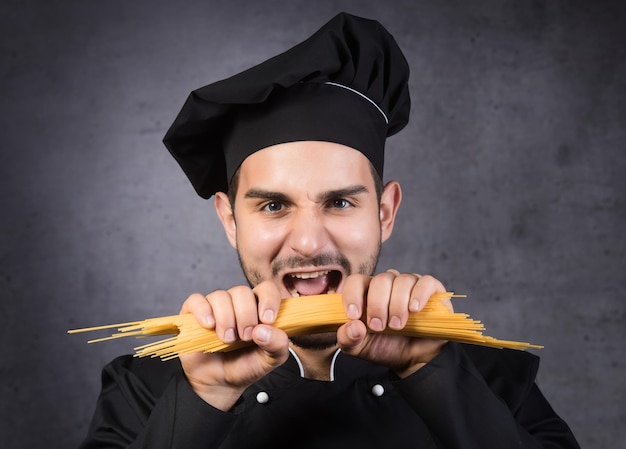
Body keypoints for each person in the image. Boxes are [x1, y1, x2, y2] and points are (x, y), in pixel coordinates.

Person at [77, 12, 580, 449]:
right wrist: (204, 398)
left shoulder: (493, 378)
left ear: (384, 212)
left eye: (340, 202)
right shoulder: (149, 384)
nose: (309, 242)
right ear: (230, 220)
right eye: (274, 205)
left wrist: (434, 375)